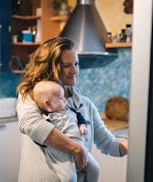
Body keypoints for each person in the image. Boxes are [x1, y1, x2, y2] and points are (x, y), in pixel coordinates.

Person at [16, 37, 128, 182]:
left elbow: (108, 143)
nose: (75, 70)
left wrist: (135, 145)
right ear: (50, 67)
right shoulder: (31, 95)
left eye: (76, 64)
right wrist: (76, 148)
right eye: (66, 65)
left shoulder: (85, 105)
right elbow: (32, 124)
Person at [32, 80, 99, 182]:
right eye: (61, 99)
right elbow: (39, 137)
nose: (64, 100)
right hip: (62, 155)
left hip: (81, 148)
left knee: (95, 169)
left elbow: (79, 116)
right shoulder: (46, 119)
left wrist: (82, 126)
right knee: (69, 178)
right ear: (48, 103)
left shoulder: (69, 110)